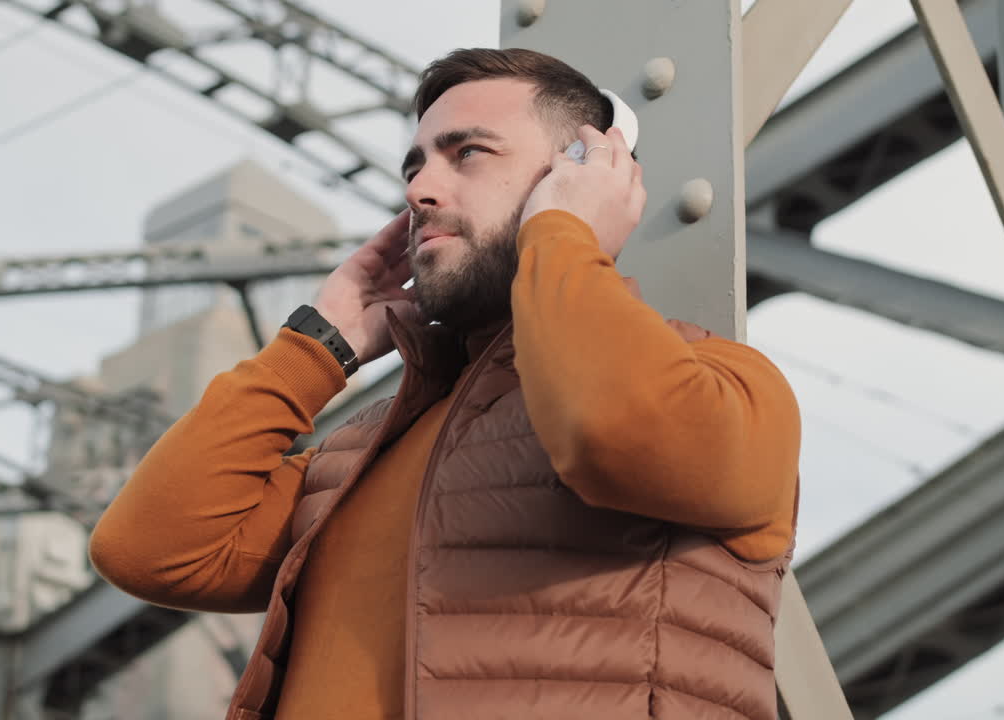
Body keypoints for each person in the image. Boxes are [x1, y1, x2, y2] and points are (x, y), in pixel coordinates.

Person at [90, 48, 801, 720]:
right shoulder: (361, 458)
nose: (420, 192)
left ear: (584, 169)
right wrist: (318, 345)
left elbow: (611, 430)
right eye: (414, 169)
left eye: (469, 153)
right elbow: (150, 550)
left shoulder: (725, 384)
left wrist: (562, 230)